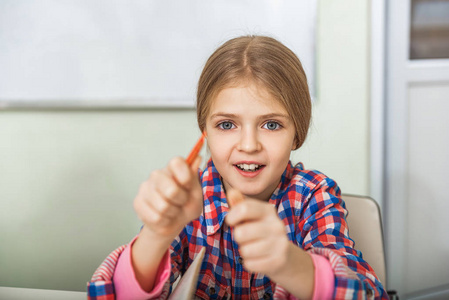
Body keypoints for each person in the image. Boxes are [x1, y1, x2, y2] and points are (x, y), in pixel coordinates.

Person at [87, 35, 388, 300]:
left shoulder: (314, 197)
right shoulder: (189, 199)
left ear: (297, 132)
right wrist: (156, 235)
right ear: (204, 130)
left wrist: (287, 262)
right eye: (227, 124)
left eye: (271, 124)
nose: (248, 144)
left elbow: (367, 294)